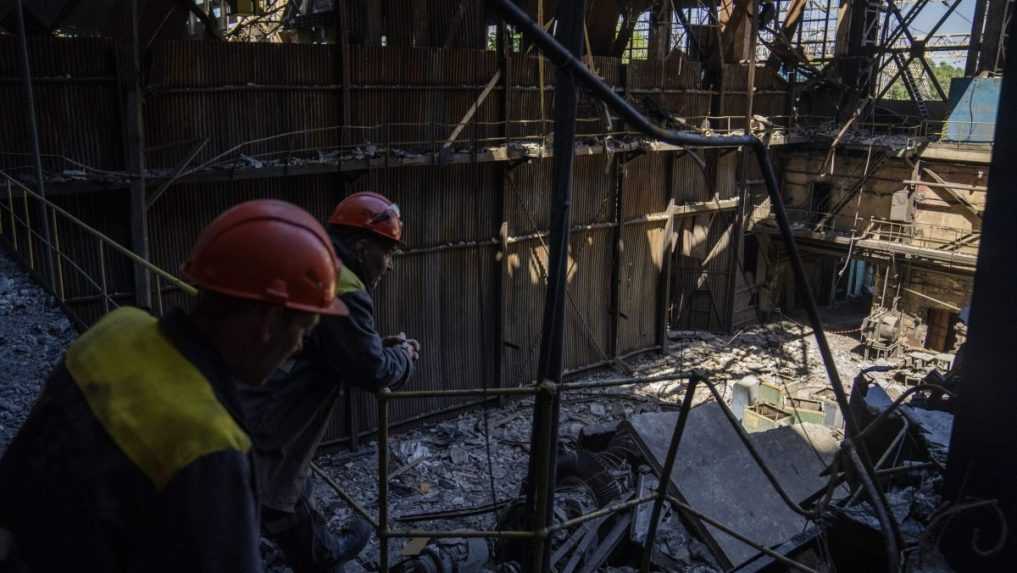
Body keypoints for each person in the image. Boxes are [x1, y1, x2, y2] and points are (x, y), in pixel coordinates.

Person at [0, 199, 349, 572]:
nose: (297, 347)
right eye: (302, 330)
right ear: (269, 320)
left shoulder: (114, 330)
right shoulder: (210, 444)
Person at [241, 191, 420, 573]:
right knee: (266, 493)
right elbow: (369, 369)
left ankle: (321, 555)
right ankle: (316, 557)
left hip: (253, 398)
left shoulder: (310, 262)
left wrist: (375, 345)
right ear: (360, 246)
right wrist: (403, 359)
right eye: (387, 252)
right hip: (274, 414)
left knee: (285, 489)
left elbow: (328, 343)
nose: (389, 265)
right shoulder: (345, 286)